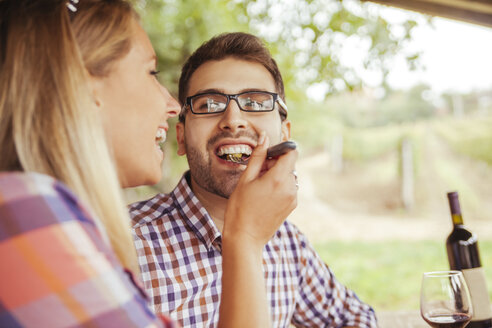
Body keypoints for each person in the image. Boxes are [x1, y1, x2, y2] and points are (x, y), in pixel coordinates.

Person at [0, 1, 297, 327]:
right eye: (150, 73)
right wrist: (246, 240)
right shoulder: (26, 210)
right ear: (82, 84)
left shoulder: (290, 243)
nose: (171, 105)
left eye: (255, 103)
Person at [130, 32, 378, 328]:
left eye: (257, 102)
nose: (233, 119)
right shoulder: (123, 243)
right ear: (181, 137)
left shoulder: (287, 242)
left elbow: (357, 319)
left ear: (284, 135)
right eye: (209, 104)